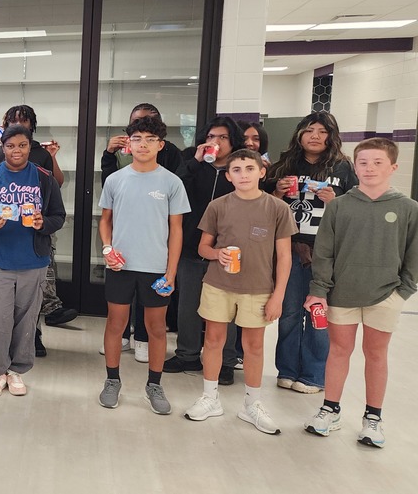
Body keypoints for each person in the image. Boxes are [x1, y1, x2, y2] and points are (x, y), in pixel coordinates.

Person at [304, 138, 418, 448]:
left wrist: (402, 293)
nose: (369, 168)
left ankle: (373, 418)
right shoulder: (339, 205)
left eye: (378, 162)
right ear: (355, 167)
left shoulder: (408, 208)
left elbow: (414, 257)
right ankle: (330, 410)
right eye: (363, 163)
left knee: (376, 354)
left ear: (393, 167)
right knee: (339, 352)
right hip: (342, 294)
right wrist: (319, 291)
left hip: (386, 296)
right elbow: (324, 253)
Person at [182, 149, 294, 434]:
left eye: (248, 168)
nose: (243, 174)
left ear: (261, 172)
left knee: (254, 346)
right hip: (219, 285)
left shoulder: (277, 208)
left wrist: (278, 295)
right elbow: (202, 247)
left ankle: (252, 404)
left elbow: (284, 257)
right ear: (228, 176)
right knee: (215, 339)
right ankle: (210, 397)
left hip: (258, 288)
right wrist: (216, 254)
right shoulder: (218, 206)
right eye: (237, 170)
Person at [98, 116, 189, 414]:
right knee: (115, 324)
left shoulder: (171, 182)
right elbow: (105, 222)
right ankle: (112, 380)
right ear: (129, 143)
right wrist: (108, 249)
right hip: (121, 267)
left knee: (156, 329)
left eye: (151, 139)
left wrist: (171, 272)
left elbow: (176, 231)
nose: (143, 144)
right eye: (137, 138)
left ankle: (154, 384)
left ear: (160, 145)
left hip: (156, 269)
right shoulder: (115, 180)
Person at [0, 125, 66, 398]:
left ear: (29, 147)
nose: (16, 151)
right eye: (11, 146)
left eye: (22, 145)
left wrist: (42, 223)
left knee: (26, 320)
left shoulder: (43, 177)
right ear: (3, 147)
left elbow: (58, 216)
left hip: (33, 260)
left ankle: (17, 371)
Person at [267, 112, 357, 394]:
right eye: (309, 130)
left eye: (321, 131)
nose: (315, 136)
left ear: (331, 135)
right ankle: (287, 370)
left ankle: (314, 375)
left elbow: (355, 209)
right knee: (290, 312)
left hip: (327, 252)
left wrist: (336, 200)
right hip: (290, 248)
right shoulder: (285, 165)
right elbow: (265, 207)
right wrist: (278, 192)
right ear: (299, 135)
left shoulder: (343, 168)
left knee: (319, 313)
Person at [164, 117, 245, 384]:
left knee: (226, 309)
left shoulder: (240, 169)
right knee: (188, 305)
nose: (216, 142)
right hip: (190, 245)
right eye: (211, 137)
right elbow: (174, 189)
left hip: (228, 251)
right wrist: (195, 162)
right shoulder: (193, 164)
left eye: (222, 137)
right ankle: (187, 354)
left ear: (233, 141)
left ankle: (226, 360)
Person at [0, 105, 65, 352]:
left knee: (30, 301)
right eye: (14, 120)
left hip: (33, 245)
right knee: (0, 306)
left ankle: (32, 336)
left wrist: (44, 223)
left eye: (25, 121)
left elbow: (56, 206)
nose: (16, 150)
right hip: (0, 249)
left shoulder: (42, 158)